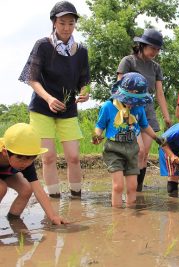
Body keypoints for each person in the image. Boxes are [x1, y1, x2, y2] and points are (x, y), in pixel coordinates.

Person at [18, 1, 90, 198]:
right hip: (42, 107)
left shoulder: (81, 50)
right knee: (48, 157)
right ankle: (54, 199)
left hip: (68, 108)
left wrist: (84, 92)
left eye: (71, 23)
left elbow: (84, 80)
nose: (67, 28)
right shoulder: (42, 45)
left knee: (74, 156)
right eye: (62, 23)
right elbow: (31, 79)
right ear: (53, 23)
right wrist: (49, 98)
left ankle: (76, 199)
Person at [92, 72, 165, 208]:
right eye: (130, 100)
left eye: (136, 101)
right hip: (114, 149)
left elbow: (144, 126)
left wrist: (156, 138)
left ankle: (130, 215)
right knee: (118, 186)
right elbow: (100, 126)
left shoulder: (139, 109)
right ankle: (118, 217)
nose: (132, 104)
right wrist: (96, 136)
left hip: (132, 149)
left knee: (132, 187)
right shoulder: (108, 107)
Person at [117, 28, 172, 192]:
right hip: (130, 112)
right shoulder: (128, 61)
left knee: (145, 153)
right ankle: (130, 188)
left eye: (158, 49)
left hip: (148, 114)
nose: (155, 52)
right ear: (142, 45)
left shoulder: (156, 68)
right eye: (152, 48)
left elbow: (160, 94)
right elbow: (119, 87)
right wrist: (124, 110)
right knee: (138, 150)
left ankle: (137, 190)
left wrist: (167, 116)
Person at [0, 123, 66, 224]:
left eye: (30, 158)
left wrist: (53, 217)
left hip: (6, 172)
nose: (25, 163)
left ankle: (14, 221)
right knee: (1, 187)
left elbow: (38, 190)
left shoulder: (25, 160)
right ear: (5, 152)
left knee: (26, 189)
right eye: (20, 158)